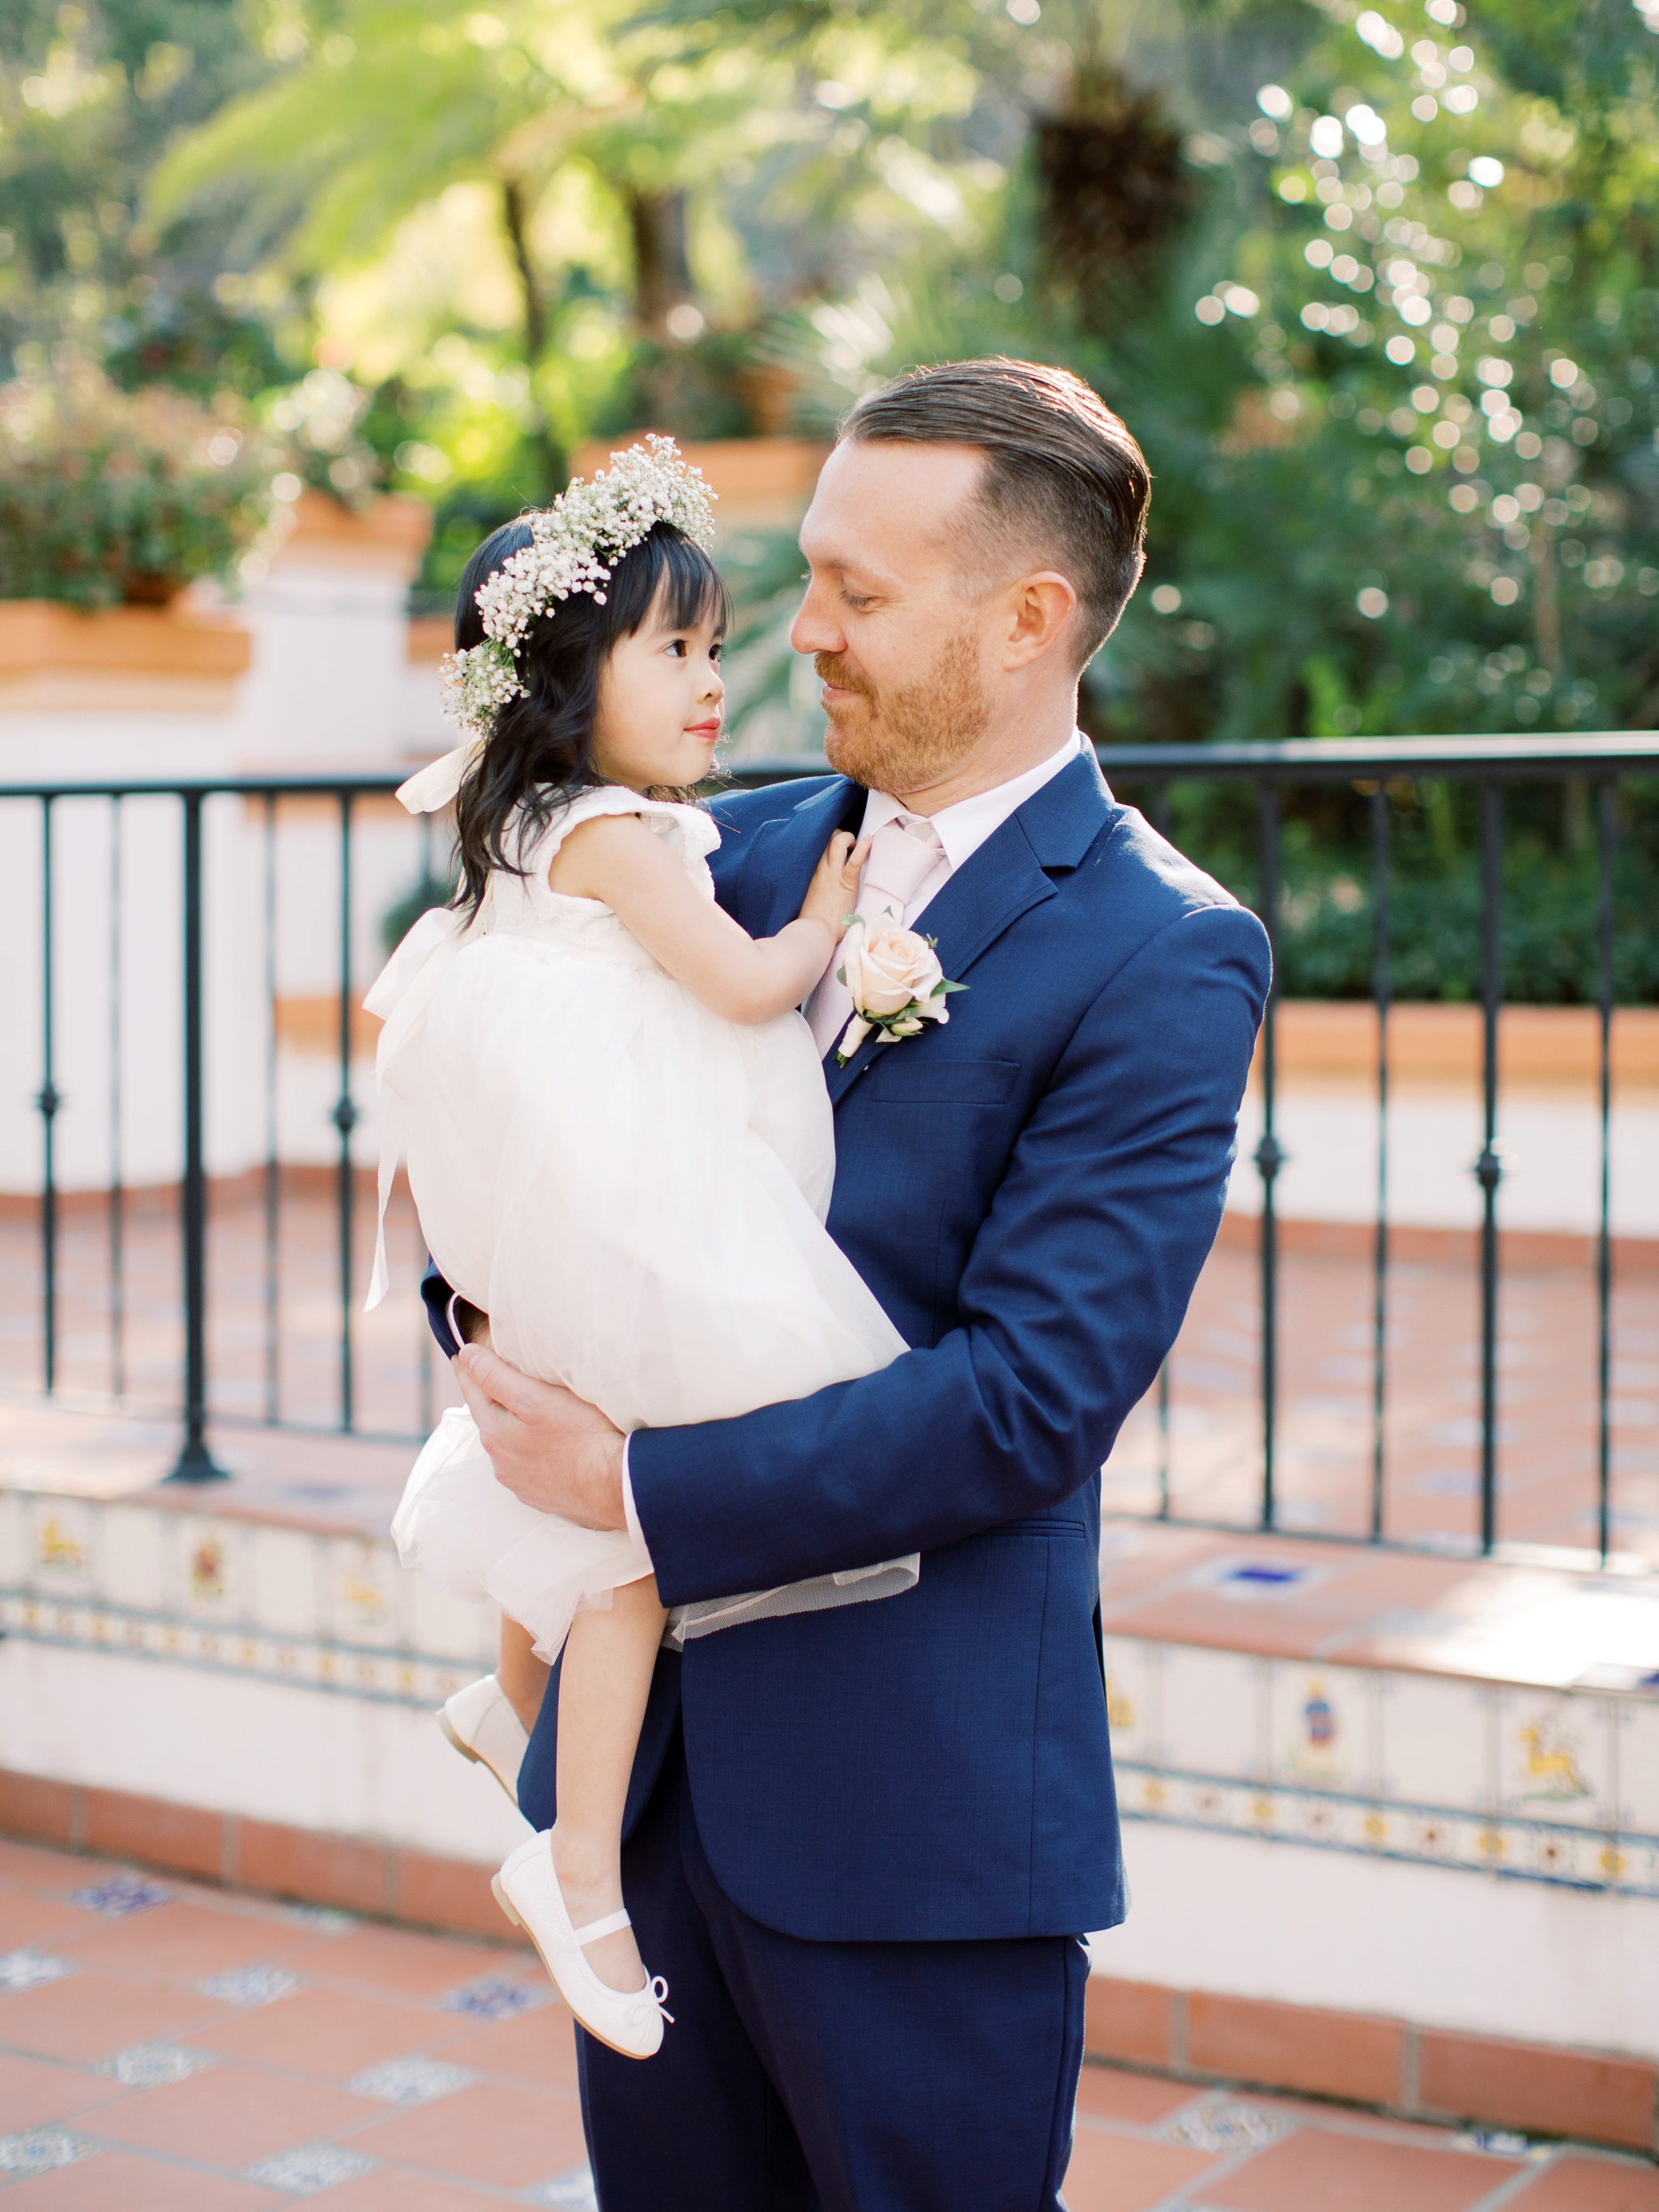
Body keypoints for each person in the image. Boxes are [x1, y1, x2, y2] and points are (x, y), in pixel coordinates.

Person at [442, 360, 1272, 2209]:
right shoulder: (702, 853)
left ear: (1030, 618)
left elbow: (1031, 1396)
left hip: (911, 1810)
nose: (800, 632)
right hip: (639, 1797)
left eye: (861, 595)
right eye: (806, 575)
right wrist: (483, 1322)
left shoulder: (1161, 950)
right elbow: (487, 1100)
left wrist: (634, 1488)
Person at [365, 437, 919, 2060]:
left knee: (576, 1472)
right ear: (564, 674)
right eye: (670, 648)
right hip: (632, 1196)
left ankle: (505, 1696)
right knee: (635, 1548)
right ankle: (578, 1870)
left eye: (709, 644)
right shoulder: (610, 829)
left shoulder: (535, 821)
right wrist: (828, 923)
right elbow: (742, 990)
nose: (710, 678)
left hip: (577, 1192)